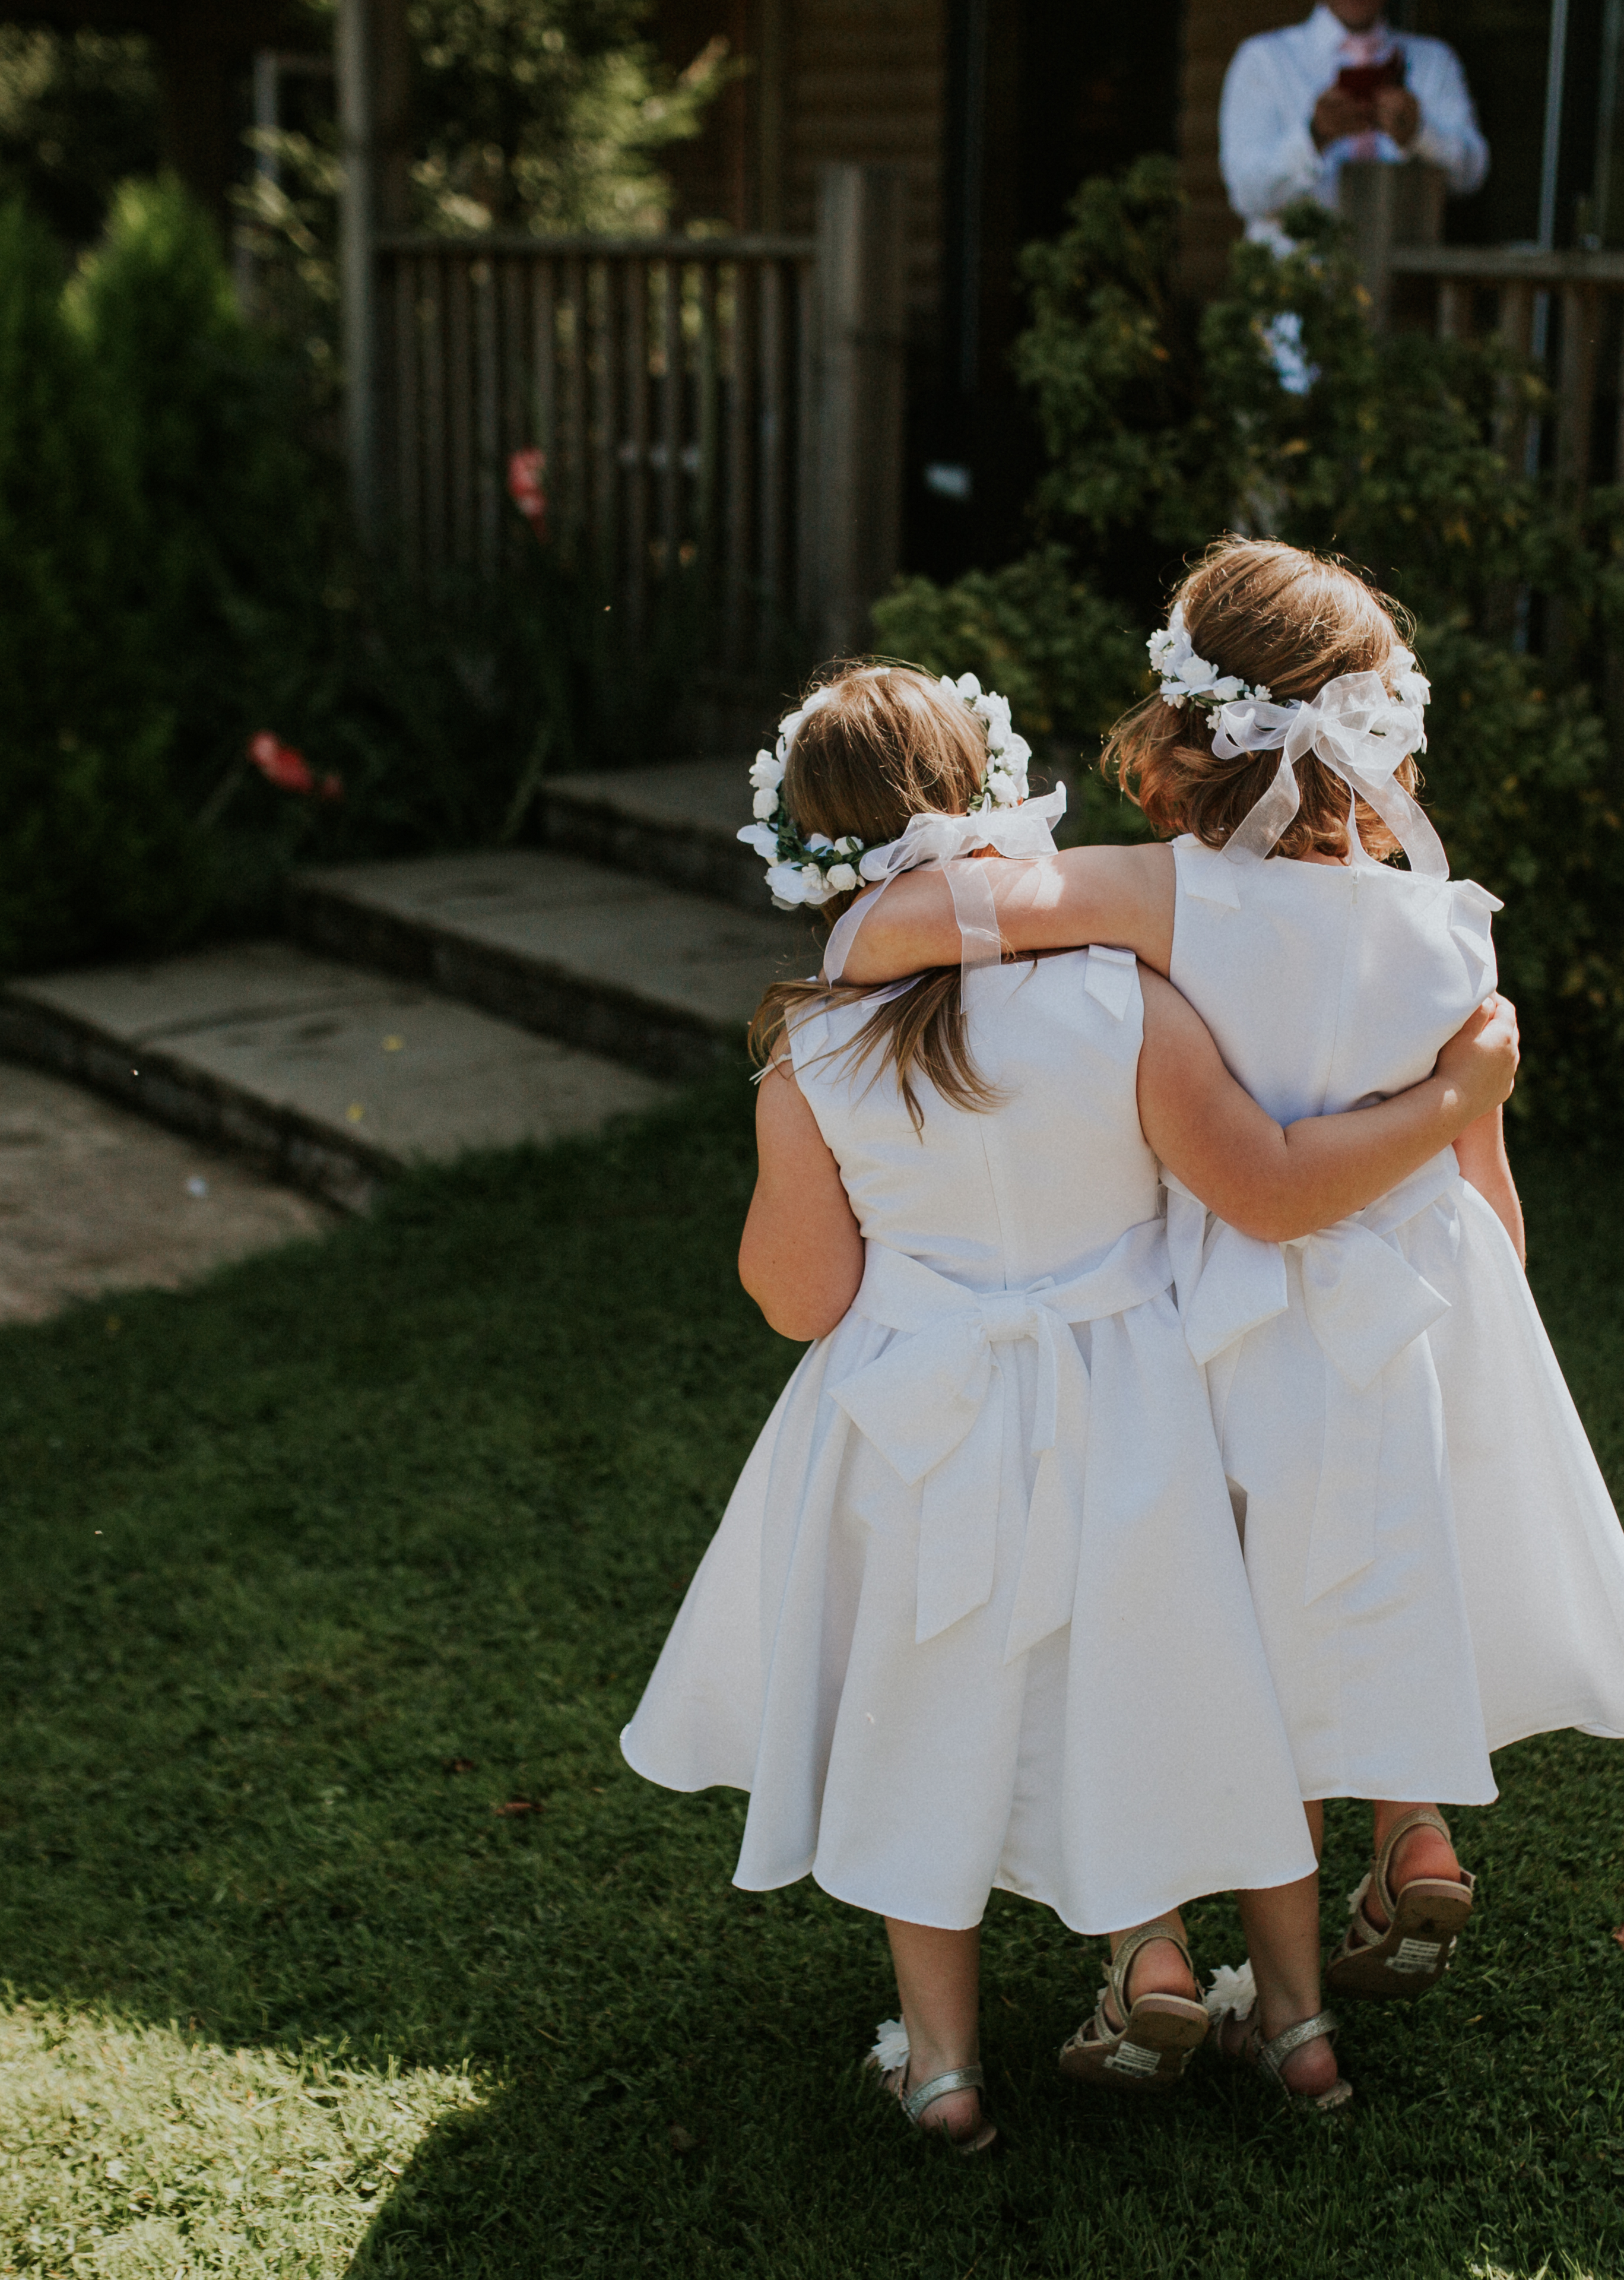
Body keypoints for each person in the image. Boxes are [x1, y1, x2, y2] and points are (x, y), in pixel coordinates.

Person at [825, 540, 1624, 2111]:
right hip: (1423, 1311)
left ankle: (1219, 1967)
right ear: (1383, 730)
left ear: (1187, 726)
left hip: (1224, 1319)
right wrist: (1475, 1252)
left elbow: (892, 931)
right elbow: (1489, 1192)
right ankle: (1411, 1831)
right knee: (1372, 1586)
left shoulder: (1168, 895)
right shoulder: (1450, 928)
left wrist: (899, 931)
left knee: (1235, 1646)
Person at [620, 662, 1523, 2148]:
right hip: (1134, 1399)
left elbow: (798, 1296)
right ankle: (1277, 2014)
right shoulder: (1123, 998)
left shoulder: (814, 1045)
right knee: (1202, 1700)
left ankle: (941, 2062)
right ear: (992, 790)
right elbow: (1240, 1178)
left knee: (930, 1711)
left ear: (807, 843)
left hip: (918, 1423)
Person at [1219, 0, 1488, 255]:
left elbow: (1471, 177)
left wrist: (1420, 135)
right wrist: (1315, 137)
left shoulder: (1434, 62)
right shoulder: (1264, 60)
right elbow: (1246, 194)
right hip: (1297, 287)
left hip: (1402, 284)